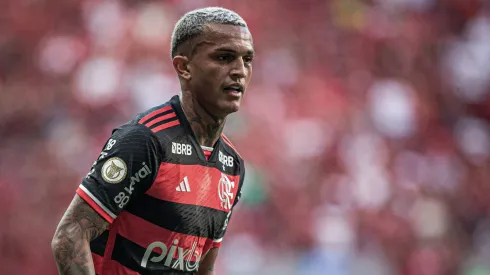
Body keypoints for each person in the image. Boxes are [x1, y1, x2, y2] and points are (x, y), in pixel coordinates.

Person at [51, 7, 254, 275]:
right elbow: (69, 236)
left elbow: (203, 267)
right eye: (224, 57)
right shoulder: (146, 142)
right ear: (184, 67)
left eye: (247, 59)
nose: (239, 71)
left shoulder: (231, 165)